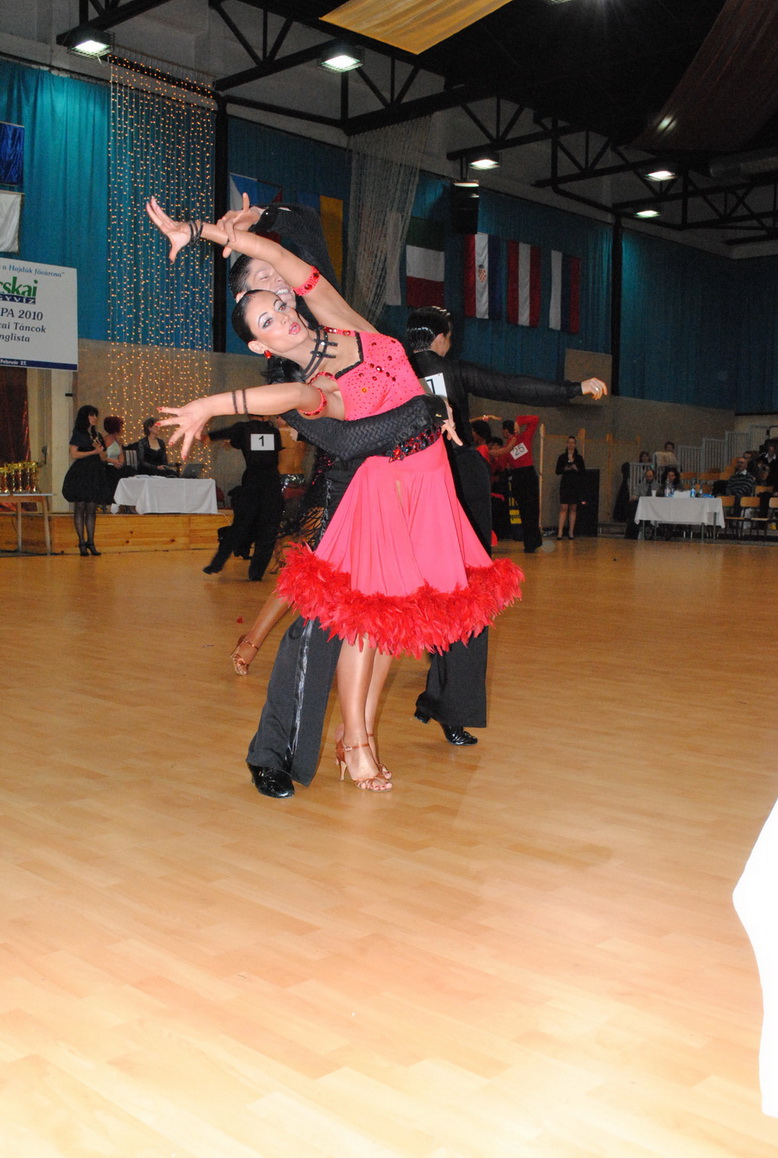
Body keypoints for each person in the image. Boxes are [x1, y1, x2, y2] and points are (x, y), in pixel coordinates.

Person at [148, 197, 522, 794]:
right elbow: (311, 411)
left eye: (279, 298)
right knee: (354, 625)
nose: (280, 303)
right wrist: (211, 405)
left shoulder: (341, 320)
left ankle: (359, 735)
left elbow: (288, 255)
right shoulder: (308, 384)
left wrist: (204, 230)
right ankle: (339, 744)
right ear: (259, 344)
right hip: (373, 491)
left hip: (429, 486)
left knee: (397, 623)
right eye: (265, 311)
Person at [406, 305, 606, 745]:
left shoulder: (393, 367)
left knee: (409, 589)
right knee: (468, 594)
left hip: (407, 483)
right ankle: (450, 705)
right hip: (458, 479)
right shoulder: (452, 369)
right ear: (441, 338)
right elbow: (512, 385)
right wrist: (574, 387)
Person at [200, 415, 284, 581]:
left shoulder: (243, 428)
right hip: (272, 484)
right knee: (268, 530)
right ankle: (256, 574)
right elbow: (272, 455)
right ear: (266, 414)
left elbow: (228, 434)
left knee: (239, 526)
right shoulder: (273, 431)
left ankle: (216, 564)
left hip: (252, 482)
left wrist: (209, 436)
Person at [61, 404, 108, 556]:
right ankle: (81, 542)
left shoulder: (97, 435)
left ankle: (91, 542)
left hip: (94, 473)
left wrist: (100, 451)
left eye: (95, 415)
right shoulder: (78, 434)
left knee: (92, 508)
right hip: (81, 473)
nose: (95, 418)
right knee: (80, 507)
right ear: (85, 417)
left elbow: (103, 458)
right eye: (91, 415)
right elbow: (74, 454)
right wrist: (93, 451)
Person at [494, 413, 543, 552]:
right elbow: (535, 419)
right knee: (532, 510)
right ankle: (533, 542)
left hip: (519, 478)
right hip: (528, 476)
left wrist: (518, 422)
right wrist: (519, 422)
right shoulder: (523, 438)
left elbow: (501, 466)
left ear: (505, 431)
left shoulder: (507, 448)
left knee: (525, 511)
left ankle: (530, 543)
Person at [555, 435, 586, 539]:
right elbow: (557, 471)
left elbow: (583, 472)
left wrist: (576, 468)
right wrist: (565, 469)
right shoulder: (562, 457)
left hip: (575, 485)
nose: (571, 444)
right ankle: (560, 532)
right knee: (563, 507)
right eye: (569, 442)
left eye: (573, 442)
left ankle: (571, 532)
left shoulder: (579, 458)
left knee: (573, 508)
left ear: (575, 444)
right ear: (566, 444)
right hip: (565, 484)